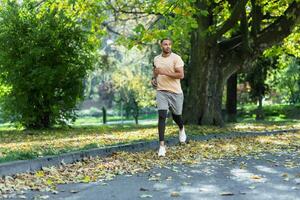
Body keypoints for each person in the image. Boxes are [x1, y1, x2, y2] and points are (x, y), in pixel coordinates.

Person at [151, 38, 186, 157]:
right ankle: (161, 146)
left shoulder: (176, 58)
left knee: (177, 116)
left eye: (170, 44)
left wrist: (164, 72)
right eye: (165, 44)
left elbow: (181, 75)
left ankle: (181, 128)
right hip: (161, 91)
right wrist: (153, 80)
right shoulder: (156, 59)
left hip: (175, 92)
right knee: (162, 116)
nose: (168, 46)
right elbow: (155, 72)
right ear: (161, 46)